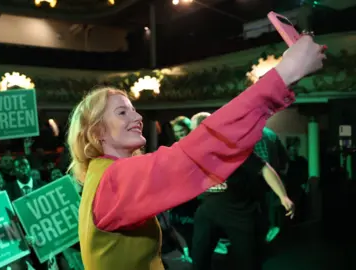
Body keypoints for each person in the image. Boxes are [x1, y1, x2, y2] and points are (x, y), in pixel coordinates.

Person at [67, 35, 325, 269]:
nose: (137, 116)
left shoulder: (104, 175)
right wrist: (284, 74)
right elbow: (195, 151)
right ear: (97, 132)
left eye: (133, 109)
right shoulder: (113, 180)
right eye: (122, 112)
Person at [190, 113, 294, 270]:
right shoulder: (193, 152)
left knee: (248, 262)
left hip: (239, 213)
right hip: (208, 212)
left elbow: (264, 168)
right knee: (198, 260)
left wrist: (283, 196)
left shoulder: (232, 150)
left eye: (196, 130)